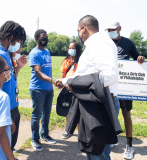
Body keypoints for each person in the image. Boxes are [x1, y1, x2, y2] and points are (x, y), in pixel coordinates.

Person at [55, 15, 119, 160]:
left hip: (100, 106)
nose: (78, 34)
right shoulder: (94, 45)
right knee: (91, 151)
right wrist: (67, 81)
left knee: (98, 154)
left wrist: (77, 84)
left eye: (78, 30)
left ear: (84, 29)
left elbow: (109, 76)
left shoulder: (101, 44)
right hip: (94, 104)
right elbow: (87, 74)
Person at [106, 21, 145, 160]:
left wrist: (140, 59)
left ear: (119, 29)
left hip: (125, 87)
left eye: (113, 29)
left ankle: (129, 145)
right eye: (108, 30)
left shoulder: (128, 43)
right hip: (110, 86)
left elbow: (137, 58)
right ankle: (111, 139)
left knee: (126, 115)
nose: (110, 32)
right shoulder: (106, 43)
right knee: (110, 114)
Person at [0, 20, 27, 152]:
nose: (19, 44)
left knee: (12, 141)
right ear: (10, 37)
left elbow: (8, 77)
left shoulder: (6, 53)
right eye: (18, 40)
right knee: (4, 144)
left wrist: (19, 67)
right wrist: (5, 114)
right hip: (6, 107)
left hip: (12, 104)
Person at [28, 29, 56, 151]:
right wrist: (53, 80)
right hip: (38, 89)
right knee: (37, 115)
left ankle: (44, 134)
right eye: (42, 37)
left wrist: (51, 83)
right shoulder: (34, 53)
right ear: (36, 39)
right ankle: (34, 139)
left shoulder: (47, 52)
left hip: (48, 89)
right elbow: (38, 72)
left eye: (46, 37)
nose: (45, 40)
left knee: (47, 113)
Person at [60, 40, 82, 139]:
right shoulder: (66, 61)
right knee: (67, 110)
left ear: (77, 49)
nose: (71, 50)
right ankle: (67, 129)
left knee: (79, 112)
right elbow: (62, 76)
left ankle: (80, 133)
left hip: (78, 90)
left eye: (73, 48)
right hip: (67, 89)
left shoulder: (81, 61)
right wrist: (64, 86)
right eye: (70, 48)